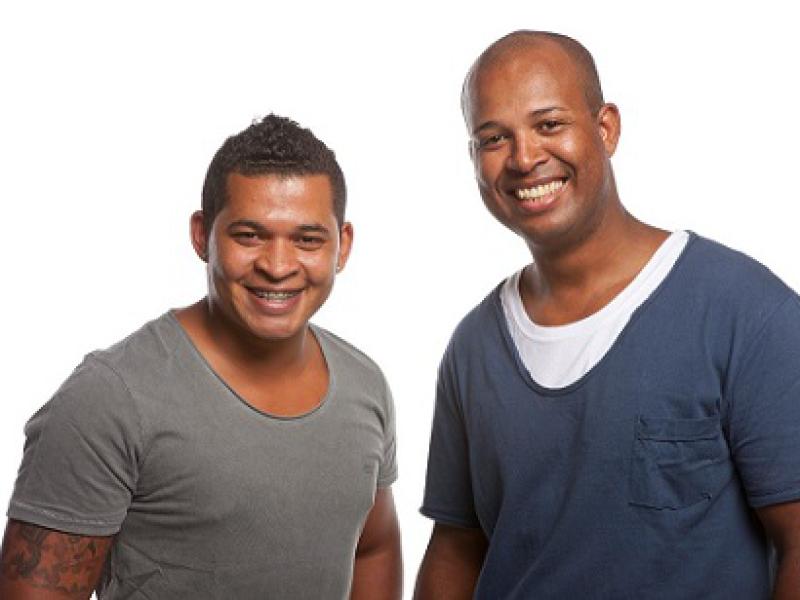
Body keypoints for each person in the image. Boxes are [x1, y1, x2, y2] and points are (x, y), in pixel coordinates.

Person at [414, 31, 800, 599]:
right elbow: (455, 549)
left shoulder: (745, 310)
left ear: (606, 128)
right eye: (494, 138)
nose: (524, 158)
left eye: (549, 124)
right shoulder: (473, 347)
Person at [0, 114, 402, 599]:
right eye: (249, 235)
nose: (278, 266)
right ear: (201, 235)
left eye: (307, 239)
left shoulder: (365, 385)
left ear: (343, 246)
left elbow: (372, 546)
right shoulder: (110, 398)